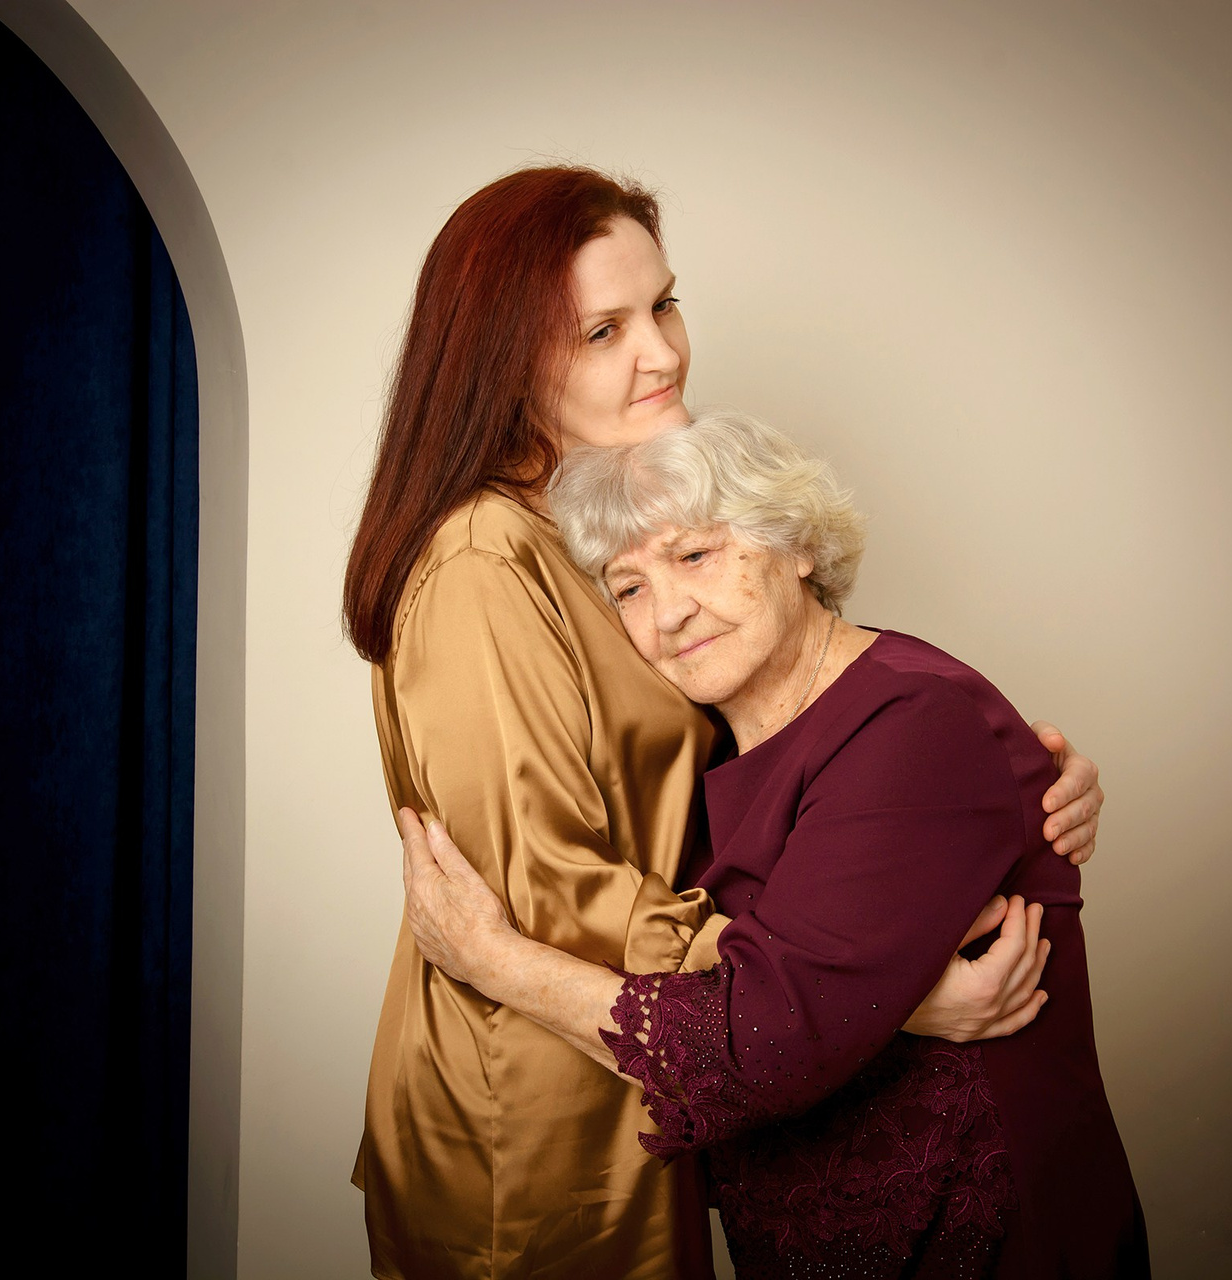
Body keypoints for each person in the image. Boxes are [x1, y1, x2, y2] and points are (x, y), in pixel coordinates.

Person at [343, 167, 1107, 1280]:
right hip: (538, 1099)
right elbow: (539, 889)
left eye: (663, 304)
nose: (661, 352)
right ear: (506, 361)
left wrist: (1006, 779)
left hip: (669, 1066)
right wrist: (859, 996)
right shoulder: (483, 558)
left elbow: (787, 731)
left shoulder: (610, 519)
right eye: (603, 330)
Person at [401, 409, 1148, 1278]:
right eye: (628, 588)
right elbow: (786, 977)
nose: (668, 612)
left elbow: (766, 1041)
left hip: (986, 1244)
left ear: (796, 546)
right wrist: (903, 1005)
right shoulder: (706, 756)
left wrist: (491, 961)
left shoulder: (910, 719)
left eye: (694, 555)